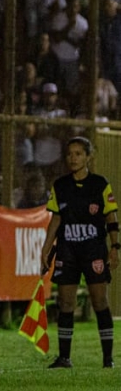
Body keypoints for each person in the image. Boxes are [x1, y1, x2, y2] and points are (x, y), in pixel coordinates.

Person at [40, 136, 119, 369]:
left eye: (78, 154)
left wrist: (115, 248)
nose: (73, 158)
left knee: (99, 300)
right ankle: (64, 358)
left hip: (93, 250)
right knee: (66, 301)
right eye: (69, 154)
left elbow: (111, 218)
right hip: (68, 250)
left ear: (88, 157)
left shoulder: (100, 184)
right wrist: (46, 249)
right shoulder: (61, 186)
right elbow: (55, 220)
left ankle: (108, 359)